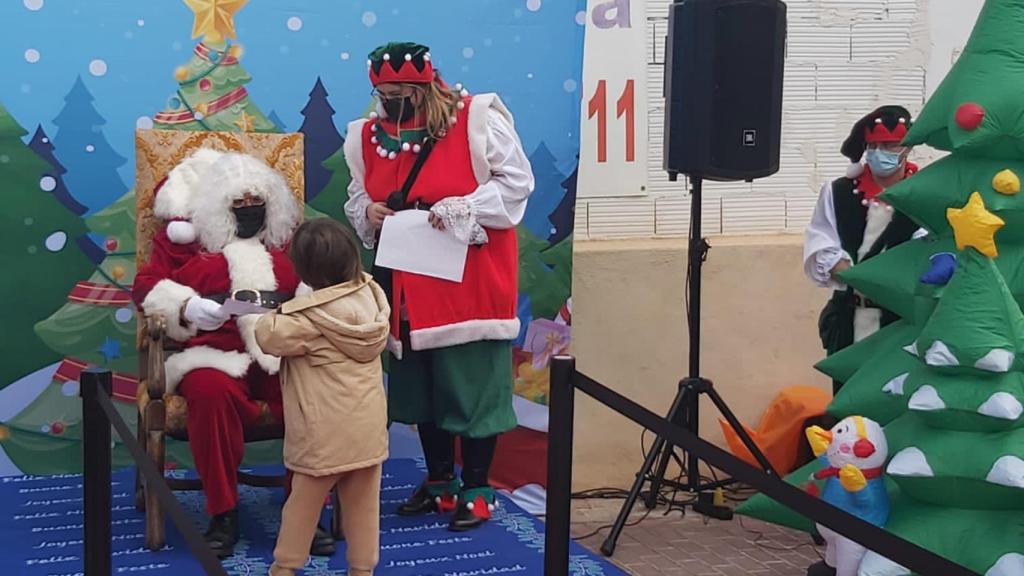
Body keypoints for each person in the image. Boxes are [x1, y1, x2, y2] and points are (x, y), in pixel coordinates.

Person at [343, 41, 534, 531]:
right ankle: (440, 482)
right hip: (405, 280)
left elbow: (516, 185)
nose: (390, 103)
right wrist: (369, 210)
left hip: (469, 280)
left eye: (400, 93)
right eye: (383, 94)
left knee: (471, 385)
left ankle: (477, 487)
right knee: (420, 385)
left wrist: (465, 206)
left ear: (425, 86)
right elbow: (358, 194)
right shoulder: (367, 137)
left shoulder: (477, 120)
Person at [133, 152, 335, 558]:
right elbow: (147, 286)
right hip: (213, 352)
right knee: (208, 391)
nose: (248, 210)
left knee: (311, 391)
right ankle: (223, 511)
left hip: (280, 348)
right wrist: (188, 307)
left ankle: (305, 509)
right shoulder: (188, 243)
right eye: (237, 204)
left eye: (254, 201)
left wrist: (304, 305)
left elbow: (321, 282)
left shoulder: (289, 239)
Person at [257, 218, 390, 576]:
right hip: (367, 430)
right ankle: (363, 569)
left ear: (303, 270)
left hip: (322, 436)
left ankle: (285, 568)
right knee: (363, 506)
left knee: (302, 506)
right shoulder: (372, 296)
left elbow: (267, 335)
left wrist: (287, 306)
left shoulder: (305, 319)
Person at [804, 105, 922, 394]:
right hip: (848, 319)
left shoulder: (924, 195)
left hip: (901, 326)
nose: (881, 152)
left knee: (896, 405)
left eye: (890, 145)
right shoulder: (838, 192)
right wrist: (854, 276)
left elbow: (927, 255)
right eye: (874, 145)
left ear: (906, 148)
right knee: (847, 406)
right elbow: (821, 242)